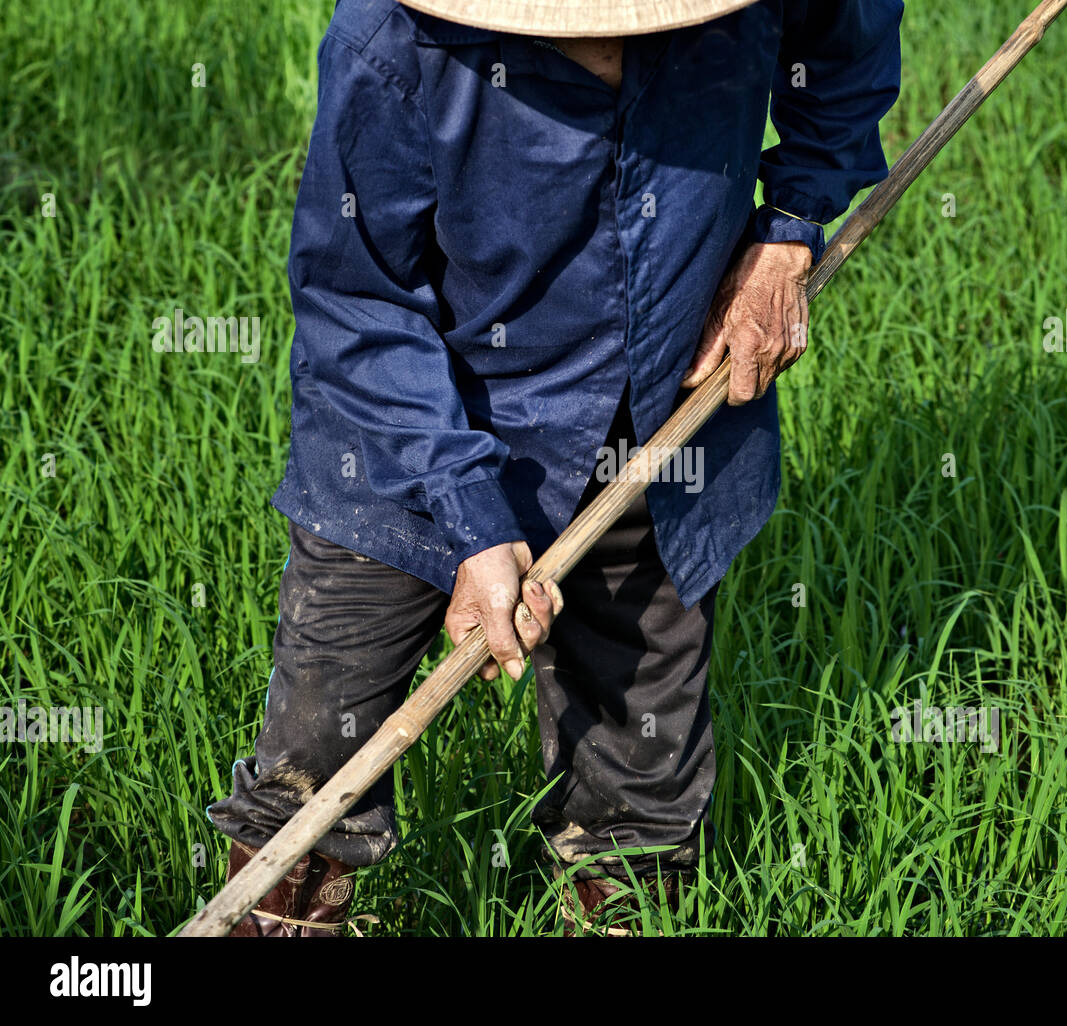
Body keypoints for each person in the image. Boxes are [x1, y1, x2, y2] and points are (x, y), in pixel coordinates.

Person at [206, 0, 901, 936]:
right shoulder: (391, 40)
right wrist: (473, 520)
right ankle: (281, 914)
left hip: (660, 415)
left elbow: (848, 44)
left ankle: (621, 913)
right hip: (406, 438)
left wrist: (790, 228)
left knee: (638, 791)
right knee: (314, 765)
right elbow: (359, 303)